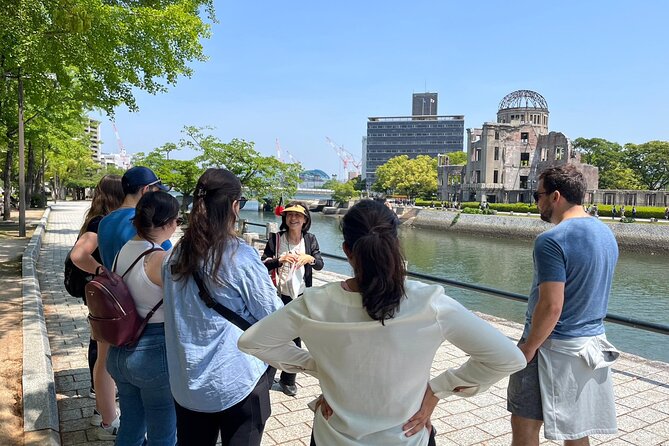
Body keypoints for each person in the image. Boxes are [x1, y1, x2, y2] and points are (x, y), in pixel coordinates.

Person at [239, 199, 526, 446]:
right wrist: (439, 388)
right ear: (396, 243)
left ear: (347, 250)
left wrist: (318, 367)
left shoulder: (314, 304)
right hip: (406, 436)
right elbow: (508, 358)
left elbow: (252, 341)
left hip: (333, 436)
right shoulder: (430, 303)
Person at [162, 168, 283, 446]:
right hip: (238, 379)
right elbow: (274, 317)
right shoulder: (239, 254)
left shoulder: (174, 255)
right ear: (234, 206)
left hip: (187, 382)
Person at [508, 165, 620, 445]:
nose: (537, 202)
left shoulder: (551, 240)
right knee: (577, 431)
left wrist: (528, 347)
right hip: (591, 345)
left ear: (555, 196)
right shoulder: (606, 234)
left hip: (550, 346)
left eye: (538, 195)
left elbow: (551, 306)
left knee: (524, 423)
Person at [95, 166, 171, 440]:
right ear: (146, 191)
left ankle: (106, 418)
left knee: (131, 418)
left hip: (114, 314)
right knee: (162, 425)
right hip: (146, 328)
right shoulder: (145, 230)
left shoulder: (105, 222)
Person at [106, 191, 180, 445]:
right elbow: (179, 306)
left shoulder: (124, 251)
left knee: (131, 426)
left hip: (120, 351)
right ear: (167, 223)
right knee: (163, 433)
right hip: (153, 354)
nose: (177, 226)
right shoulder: (160, 258)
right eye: (178, 221)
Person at [69, 175, 124, 435]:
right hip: (105, 295)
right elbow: (79, 254)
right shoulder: (101, 223)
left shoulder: (97, 219)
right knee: (104, 354)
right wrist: (103, 271)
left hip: (100, 295)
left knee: (101, 350)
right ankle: (105, 415)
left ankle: (103, 410)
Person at [261, 201, 324, 396]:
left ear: (305, 219)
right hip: (278, 295)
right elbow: (263, 264)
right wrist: (279, 260)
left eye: (298, 215)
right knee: (275, 336)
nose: (293, 218)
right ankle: (274, 378)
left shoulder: (310, 239)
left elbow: (320, 264)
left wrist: (309, 259)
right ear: (284, 218)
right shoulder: (276, 239)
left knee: (295, 337)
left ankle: (288, 380)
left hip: (302, 296)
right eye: (289, 215)